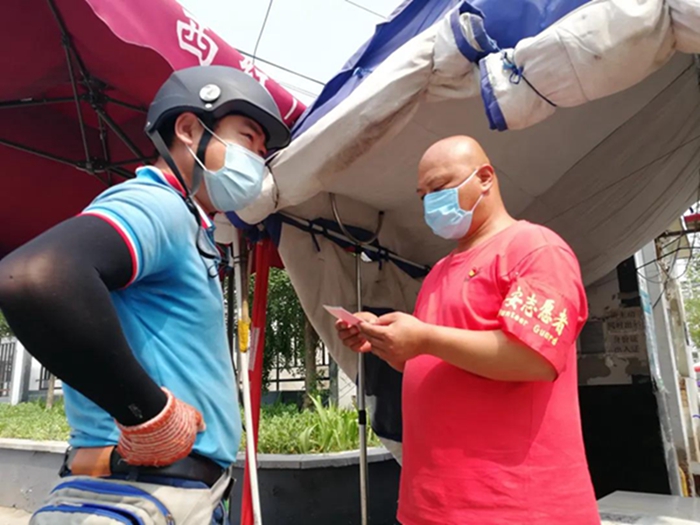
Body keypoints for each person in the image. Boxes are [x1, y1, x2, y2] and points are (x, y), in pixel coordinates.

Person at [0, 65, 290, 524]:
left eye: (262, 149)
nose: (258, 157)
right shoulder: (157, 203)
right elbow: (36, 277)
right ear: (189, 129)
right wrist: (146, 413)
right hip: (137, 492)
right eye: (248, 137)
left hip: (165, 494)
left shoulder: (189, 223)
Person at [336, 136, 599, 524]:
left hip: (512, 507)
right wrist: (384, 340)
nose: (430, 203)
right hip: (432, 503)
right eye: (423, 195)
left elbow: (534, 358)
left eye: (439, 187)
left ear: (485, 178)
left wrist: (425, 337)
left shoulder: (534, 248)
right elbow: (434, 361)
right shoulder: (439, 272)